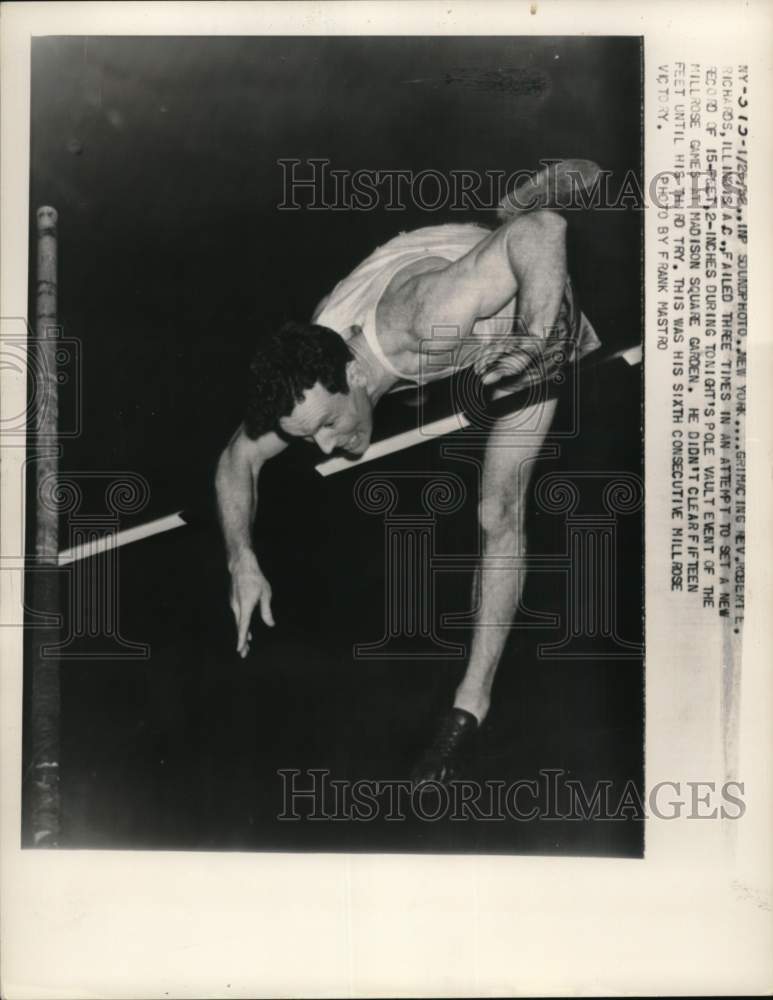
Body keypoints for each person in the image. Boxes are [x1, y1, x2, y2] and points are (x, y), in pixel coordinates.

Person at [215, 160, 602, 785]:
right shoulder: (309, 377)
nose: (323, 446)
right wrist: (242, 558)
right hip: (443, 270)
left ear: (355, 377)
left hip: (513, 315)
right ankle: (493, 235)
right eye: (309, 436)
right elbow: (237, 459)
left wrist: (533, 339)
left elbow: (548, 229)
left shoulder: (419, 321)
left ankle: (471, 702)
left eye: (329, 426)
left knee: (498, 509)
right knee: (465, 322)